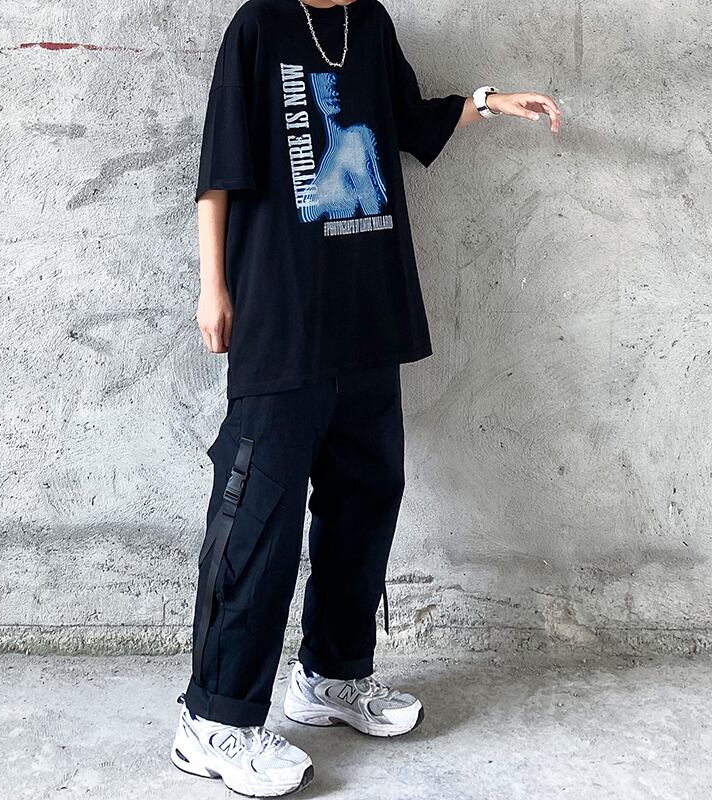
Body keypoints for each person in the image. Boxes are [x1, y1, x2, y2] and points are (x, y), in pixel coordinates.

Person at [171, 0, 561, 795]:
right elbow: (220, 166)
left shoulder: (371, 23)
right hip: (282, 319)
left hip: (368, 315)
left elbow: (409, 121)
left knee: (365, 504)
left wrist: (487, 102)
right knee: (257, 524)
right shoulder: (259, 26)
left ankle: (331, 676)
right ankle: (212, 721)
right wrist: (213, 286)